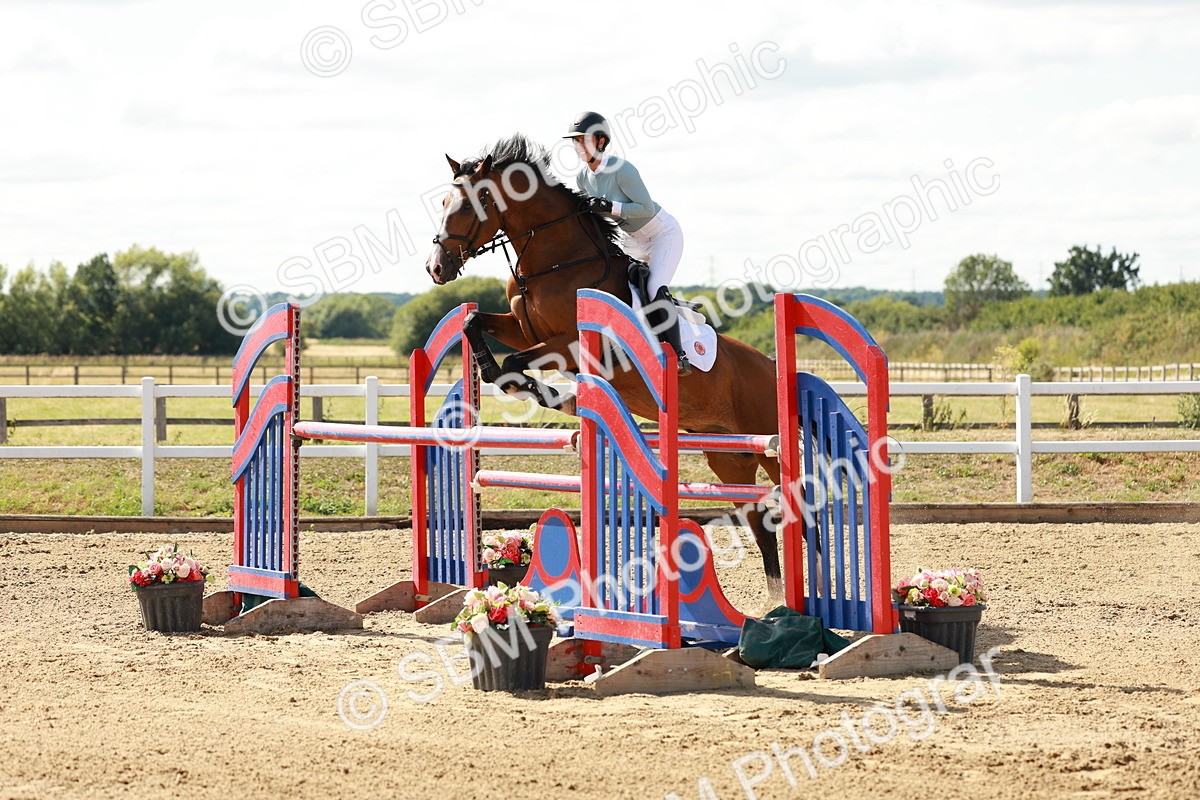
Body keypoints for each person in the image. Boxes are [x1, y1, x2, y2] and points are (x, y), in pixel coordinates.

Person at [565, 111, 691, 375]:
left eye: (584, 139)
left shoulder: (622, 169)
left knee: (654, 286)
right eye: (576, 140)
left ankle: (678, 355)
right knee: (616, 288)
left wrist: (609, 206)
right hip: (629, 240)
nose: (578, 146)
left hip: (661, 234)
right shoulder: (582, 179)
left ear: (601, 141)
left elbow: (645, 208)